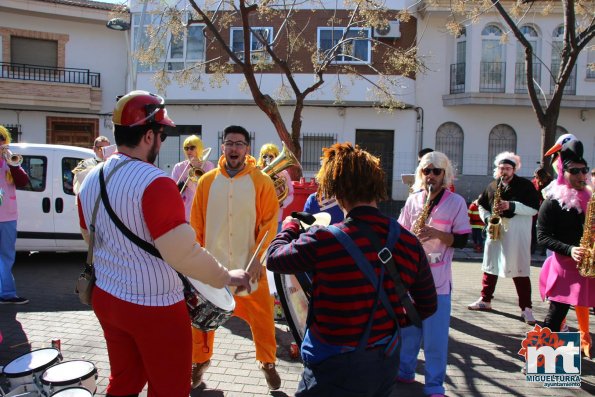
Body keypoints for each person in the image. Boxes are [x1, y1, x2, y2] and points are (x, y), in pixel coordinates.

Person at [76, 91, 251, 397]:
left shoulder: (90, 178)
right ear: (147, 136)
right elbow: (182, 253)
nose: (162, 141)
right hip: (153, 307)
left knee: (125, 380)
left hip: (106, 297)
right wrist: (226, 276)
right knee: (170, 388)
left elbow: (90, 237)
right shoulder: (156, 182)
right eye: (161, 134)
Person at [267, 142, 438, 397]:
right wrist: (390, 318)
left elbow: (274, 258)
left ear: (336, 190)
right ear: (376, 187)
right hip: (384, 361)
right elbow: (427, 305)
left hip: (331, 367)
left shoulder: (323, 239)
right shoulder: (408, 241)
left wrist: (291, 225)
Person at [189, 125, 280, 390]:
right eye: (229, 143)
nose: (234, 149)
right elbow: (196, 225)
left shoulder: (261, 182)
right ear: (223, 147)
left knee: (263, 318)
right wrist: (196, 264)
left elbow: (269, 225)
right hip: (213, 269)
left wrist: (257, 260)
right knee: (201, 322)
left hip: (249, 268)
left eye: (239, 144)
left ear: (247, 149)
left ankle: (268, 363)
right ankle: (199, 363)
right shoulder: (206, 182)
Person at [397, 151, 471, 397]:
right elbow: (401, 232)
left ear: (445, 174)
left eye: (436, 171)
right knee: (407, 332)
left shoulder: (456, 202)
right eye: (426, 171)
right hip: (410, 278)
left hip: (438, 282)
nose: (430, 176)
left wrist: (436, 233)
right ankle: (404, 372)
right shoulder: (413, 200)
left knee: (435, 339)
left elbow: (461, 241)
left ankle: (434, 384)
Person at [468, 152, 540, 325]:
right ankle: (485, 300)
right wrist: (487, 219)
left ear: (514, 169)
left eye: (508, 168)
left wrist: (511, 205)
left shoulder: (525, 186)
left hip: (516, 234)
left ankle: (526, 308)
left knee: (520, 269)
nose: (504, 172)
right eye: (501, 168)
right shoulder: (493, 185)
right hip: (496, 231)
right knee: (490, 266)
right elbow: (482, 206)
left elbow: (534, 209)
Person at [538, 139, 594, 358]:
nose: (582, 176)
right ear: (563, 172)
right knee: (556, 315)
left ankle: (587, 342)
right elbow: (542, 236)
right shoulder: (552, 202)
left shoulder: (590, 198)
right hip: (565, 267)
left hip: (590, 266)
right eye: (575, 171)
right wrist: (570, 250)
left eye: (584, 171)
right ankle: (541, 358)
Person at [0, 126, 30, 305]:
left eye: (2, 138)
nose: (1, 142)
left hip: (8, 217)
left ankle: (8, 294)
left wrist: (13, 164)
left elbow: (23, 182)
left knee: (7, 256)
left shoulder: (10, 161)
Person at [170, 135, 215, 221]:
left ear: (199, 148)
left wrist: (198, 170)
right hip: (185, 214)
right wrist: (189, 176)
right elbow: (174, 191)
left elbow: (210, 189)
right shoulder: (179, 167)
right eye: (186, 148)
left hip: (203, 212)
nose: (189, 151)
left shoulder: (209, 165)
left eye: (192, 148)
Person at [257, 143, 294, 228]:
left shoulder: (284, 174)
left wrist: (282, 203)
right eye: (264, 156)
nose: (267, 159)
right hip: (259, 218)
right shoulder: (257, 172)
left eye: (271, 156)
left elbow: (291, 194)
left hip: (276, 218)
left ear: (276, 157)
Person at [531, 166, 553, 254]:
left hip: (546, 207)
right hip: (536, 206)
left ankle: (544, 249)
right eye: (535, 176)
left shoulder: (550, 182)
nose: (535, 178)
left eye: (537, 176)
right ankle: (532, 247)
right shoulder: (533, 183)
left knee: (545, 227)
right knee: (533, 228)